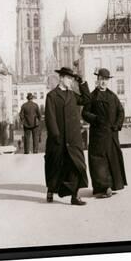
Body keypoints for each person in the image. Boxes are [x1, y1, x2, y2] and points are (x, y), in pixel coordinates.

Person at [44, 67, 91, 206]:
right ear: (61, 78)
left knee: (76, 166)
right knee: (55, 166)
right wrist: (56, 135)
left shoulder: (72, 95)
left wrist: (82, 83)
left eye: (72, 79)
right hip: (58, 139)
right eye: (69, 78)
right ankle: (51, 190)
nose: (71, 81)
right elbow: (50, 118)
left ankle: (75, 196)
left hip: (73, 137)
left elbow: (86, 100)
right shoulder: (52, 96)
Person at [82, 68, 127, 198]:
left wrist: (117, 125)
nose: (103, 82)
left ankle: (112, 185)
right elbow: (84, 113)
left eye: (106, 80)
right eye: (101, 79)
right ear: (97, 80)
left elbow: (121, 112)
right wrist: (95, 119)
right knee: (98, 162)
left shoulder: (113, 96)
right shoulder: (92, 96)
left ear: (108, 81)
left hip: (112, 135)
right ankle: (103, 188)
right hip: (98, 136)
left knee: (112, 160)